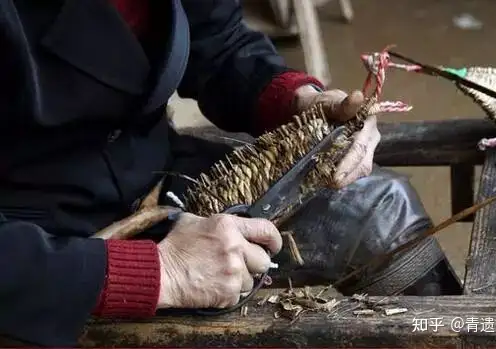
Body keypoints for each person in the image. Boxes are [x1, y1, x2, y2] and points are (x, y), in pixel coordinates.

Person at [0, 0, 462, 347]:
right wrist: (160, 272)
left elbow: (217, 43)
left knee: (381, 208)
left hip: (151, 171)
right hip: (41, 243)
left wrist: (301, 103)